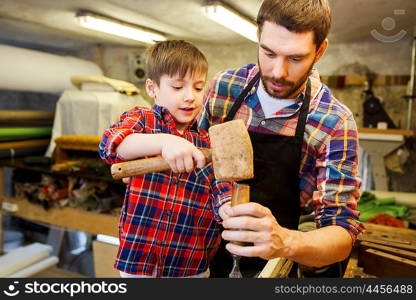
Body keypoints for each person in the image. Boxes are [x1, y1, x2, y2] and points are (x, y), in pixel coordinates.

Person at [199, 0, 365, 277]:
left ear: (320, 51)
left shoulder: (334, 122)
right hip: (202, 261)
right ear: (258, 35)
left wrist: (285, 241)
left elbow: (341, 235)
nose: (278, 72)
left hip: (276, 269)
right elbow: (196, 162)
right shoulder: (224, 89)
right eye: (269, 53)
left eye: (295, 58)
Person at [99, 40, 232, 278]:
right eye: (178, 87)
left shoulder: (209, 142)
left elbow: (221, 188)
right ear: (152, 88)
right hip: (140, 259)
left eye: (198, 88)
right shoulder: (143, 120)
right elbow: (111, 144)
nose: (190, 96)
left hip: (189, 261)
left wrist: (229, 209)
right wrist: (164, 142)